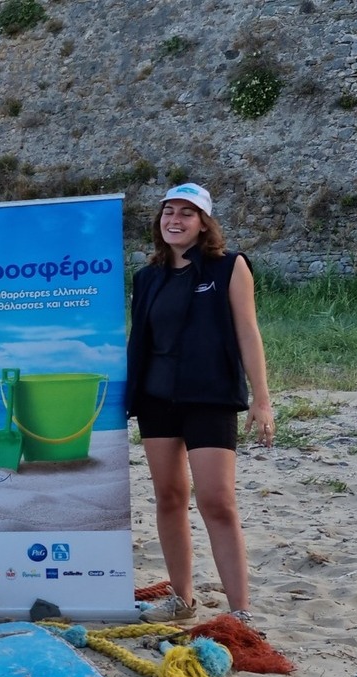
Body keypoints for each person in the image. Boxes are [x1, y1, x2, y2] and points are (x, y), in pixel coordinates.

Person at [125, 182, 274, 624]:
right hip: (156, 400)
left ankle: (240, 612)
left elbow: (248, 332)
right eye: (168, 212)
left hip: (209, 397)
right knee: (169, 497)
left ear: (204, 222)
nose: (174, 219)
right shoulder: (147, 276)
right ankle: (182, 599)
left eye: (186, 213)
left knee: (217, 501)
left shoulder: (230, 267)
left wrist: (261, 399)